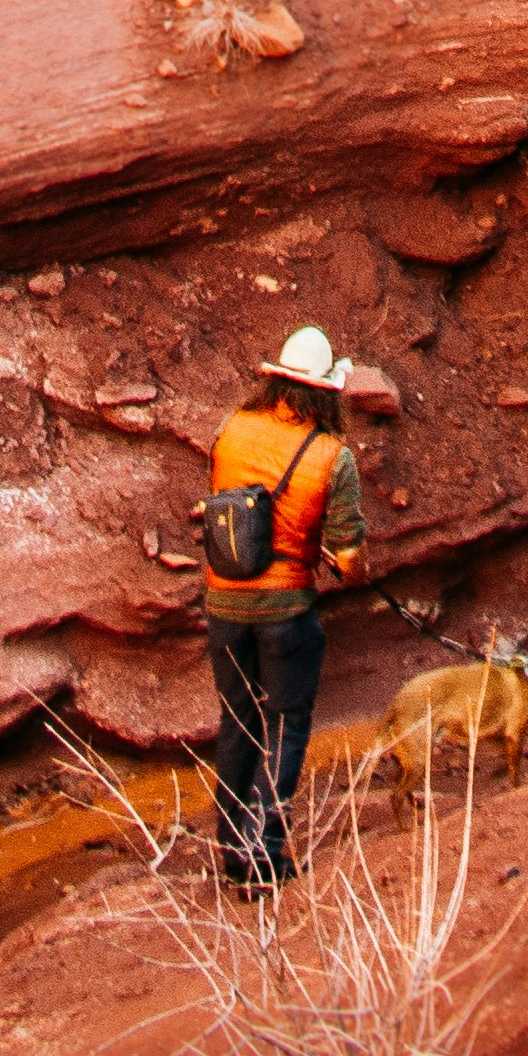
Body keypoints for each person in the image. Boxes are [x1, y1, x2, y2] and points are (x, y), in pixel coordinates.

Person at [202, 319, 371, 890]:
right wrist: (343, 562)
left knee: (238, 722)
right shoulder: (332, 455)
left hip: (224, 602)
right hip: (285, 612)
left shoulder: (233, 428)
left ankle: (230, 851)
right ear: (326, 391)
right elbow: (349, 554)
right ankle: (264, 856)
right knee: (286, 725)